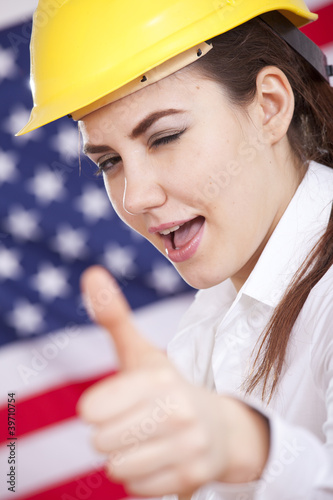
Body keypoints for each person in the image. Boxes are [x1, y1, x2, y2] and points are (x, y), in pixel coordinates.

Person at [18, 0, 333, 498]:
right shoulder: (210, 322)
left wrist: (252, 445)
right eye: (108, 162)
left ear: (269, 107)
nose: (135, 196)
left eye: (165, 137)